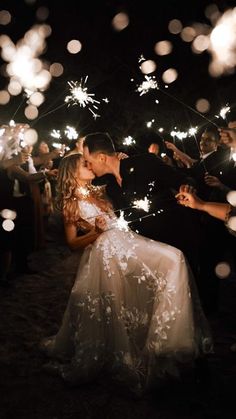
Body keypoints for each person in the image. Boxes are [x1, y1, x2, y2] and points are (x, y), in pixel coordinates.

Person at [41, 153, 212, 395]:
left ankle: (171, 341)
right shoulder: (71, 202)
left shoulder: (101, 189)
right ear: (73, 172)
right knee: (165, 265)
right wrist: (96, 232)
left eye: (88, 161)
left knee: (171, 261)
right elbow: (72, 243)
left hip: (126, 241)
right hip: (107, 252)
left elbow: (117, 172)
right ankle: (164, 345)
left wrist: (123, 159)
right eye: (84, 164)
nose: (89, 165)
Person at [83, 132, 201, 279]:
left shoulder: (146, 162)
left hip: (177, 243)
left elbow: (184, 179)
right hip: (150, 256)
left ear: (101, 158)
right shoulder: (111, 187)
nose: (88, 166)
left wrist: (186, 187)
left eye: (88, 161)